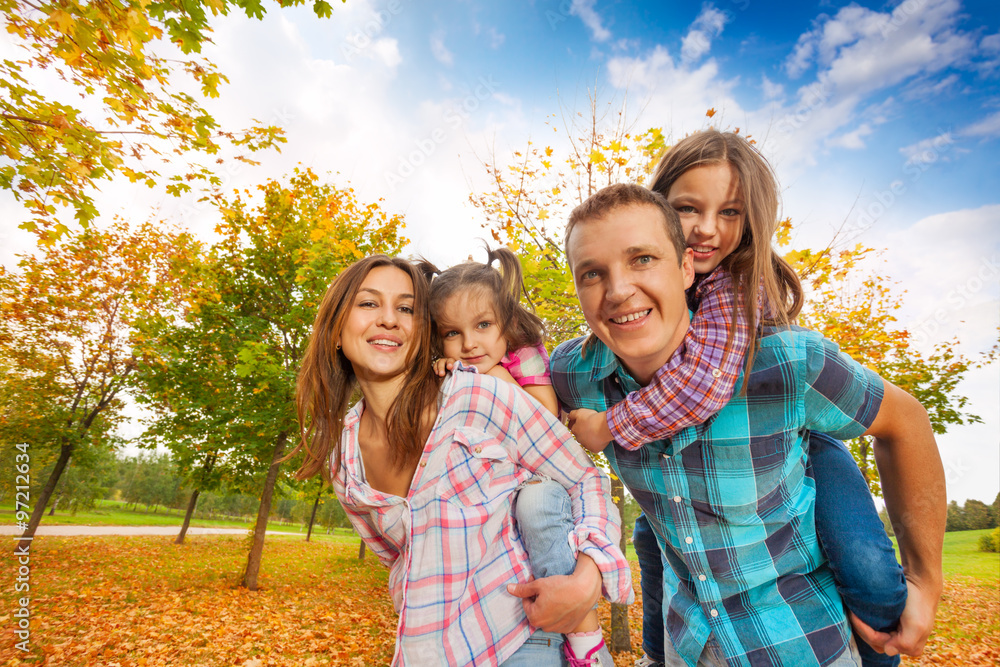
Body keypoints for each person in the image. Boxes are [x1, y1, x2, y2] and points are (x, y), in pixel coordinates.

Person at [551, 182, 945, 666]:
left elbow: (906, 422)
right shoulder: (573, 376)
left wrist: (926, 579)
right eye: (592, 273)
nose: (618, 290)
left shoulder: (783, 361)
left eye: (642, 259)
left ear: (684, 266)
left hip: (802, 644)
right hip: (688, 647)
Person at [289, 255, 633, 667]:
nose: (388, 320)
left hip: (523, 640)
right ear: (336, 333)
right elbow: (398, 558)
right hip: (429, 651)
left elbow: (583, 479)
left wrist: (587, 580)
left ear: (421, 333)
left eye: (405, 308)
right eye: (368, 304)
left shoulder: (477, 394)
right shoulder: (344, 457)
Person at [427, 245, 615, 665]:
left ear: (504, 324)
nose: (469, 343)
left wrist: (492, 377)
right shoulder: (450, 369)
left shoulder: (521, 354)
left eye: (482, 325)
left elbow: (545, 413)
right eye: (452, 333)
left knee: (535, 510)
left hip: (540, 480)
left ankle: (583, 632)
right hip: (495, 483)